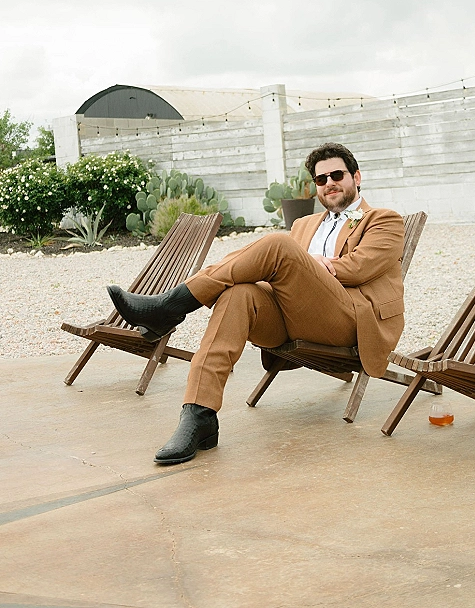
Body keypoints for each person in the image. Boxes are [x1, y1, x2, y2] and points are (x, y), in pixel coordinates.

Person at [107, 142, 405, 465]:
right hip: (296, 317)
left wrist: (316, 265)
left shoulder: (383, 220)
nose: (329, 183)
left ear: (356, 177)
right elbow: (283, 276)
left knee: (278, 246)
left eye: (337, 174)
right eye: (321, 179)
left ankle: (171, 306)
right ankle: (199, 414)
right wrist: (291, 270)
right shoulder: (304, 225)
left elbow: (360, 266)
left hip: (349, 320)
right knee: (240, 293)